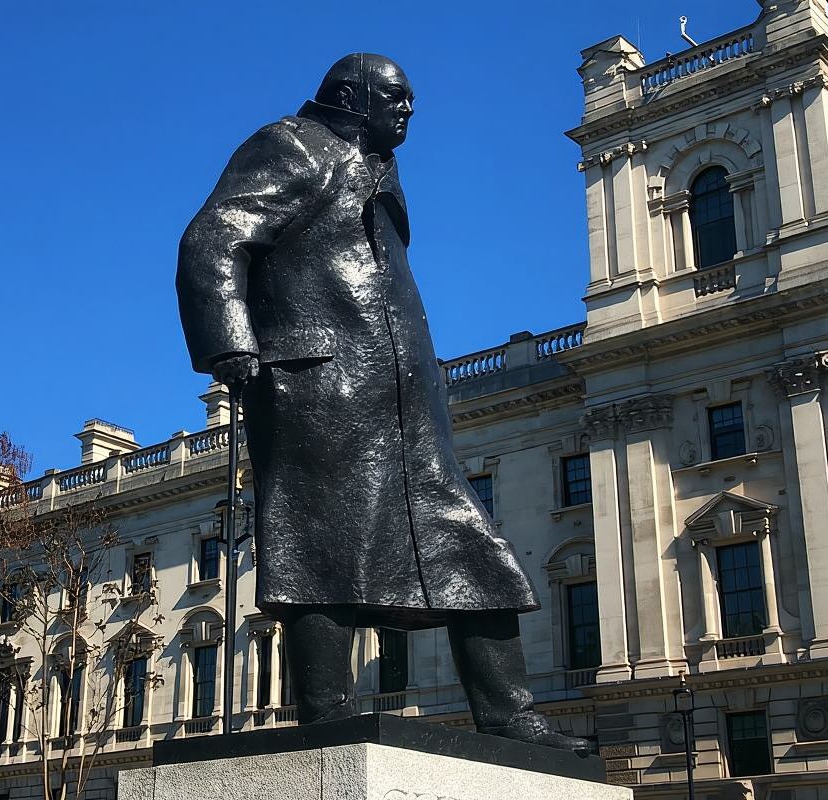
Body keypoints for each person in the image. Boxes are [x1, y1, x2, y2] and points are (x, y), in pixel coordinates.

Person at [177, 53, 589, 752]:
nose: (409, 109)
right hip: (316, 384)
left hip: (399, 404)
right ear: (351, 96)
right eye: (396, 96)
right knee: (319, 548)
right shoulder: (292, 144)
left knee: (474, 549)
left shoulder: (375, 167)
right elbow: (213, 237)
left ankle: (508, 714)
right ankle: (327, 714)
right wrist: (230, 344)